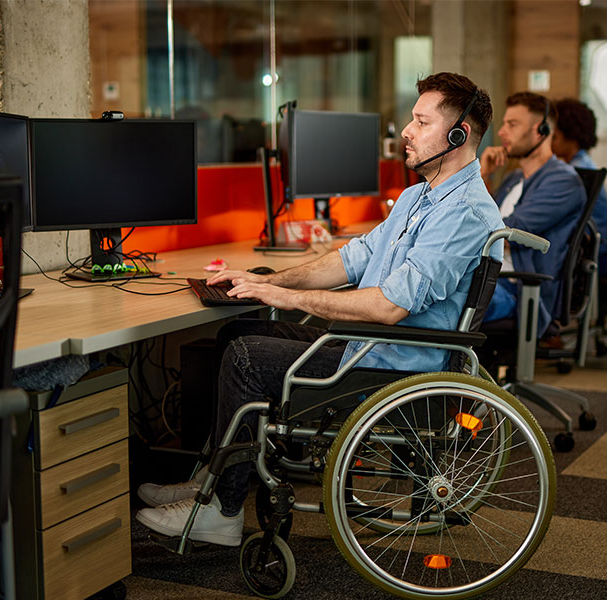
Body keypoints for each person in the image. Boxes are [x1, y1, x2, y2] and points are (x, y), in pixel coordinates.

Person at [135, 72, 504, 546]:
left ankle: (222, 510)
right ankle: (214, 474)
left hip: (394, 367)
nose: (406, 132)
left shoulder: (465, 213)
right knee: (236, 333)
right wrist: (266, 281)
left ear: (459, 135)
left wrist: (286, 299)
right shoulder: (419, 197)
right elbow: (350, 260)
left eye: (420, 121)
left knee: (246, 358)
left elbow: (390, 307)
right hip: (367, 347)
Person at [480, 91, 586, 337]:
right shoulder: (514, 178)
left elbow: (504, 233)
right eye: (504, 124)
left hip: (517, 290)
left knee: (435, 303)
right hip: (489, 279)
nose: (502, 132)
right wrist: (484, 176)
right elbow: (482, 218)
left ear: (541, 131)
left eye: (512, 124)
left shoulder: (561, 181)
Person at [551, 98, 607, 277]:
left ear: (571, 136)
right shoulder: (582, 164)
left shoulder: (579, 172)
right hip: (603, 251)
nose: (549, 140)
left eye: (555, 135)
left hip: (599, 258)